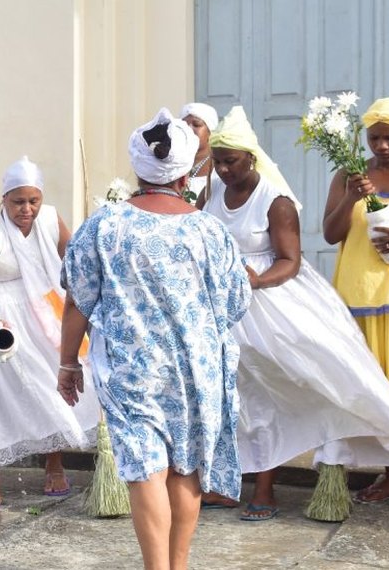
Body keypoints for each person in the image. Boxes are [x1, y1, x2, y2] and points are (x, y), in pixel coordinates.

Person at [58, 109, 251, 570]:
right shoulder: (211, 231)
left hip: (132, 369)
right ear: (186, 171)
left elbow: (77, 302)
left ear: (138, 168)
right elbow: (233, 304)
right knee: (186, 469)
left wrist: (68, 364)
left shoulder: (104, 226)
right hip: (196, 367)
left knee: (146, 469)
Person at [203, 106, 389, 520]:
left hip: (281, 303)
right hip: (235, 303)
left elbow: (288, 259)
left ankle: (271, 487)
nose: (222, 169)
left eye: (230, 161)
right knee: (229, 395)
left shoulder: (273, 201)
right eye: (218, 161)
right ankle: (227, 482)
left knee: (289, 389)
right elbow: (333, 232)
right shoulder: (213, 193)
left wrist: (253, 282)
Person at [0, 156, 99, 508]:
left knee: (49, 386)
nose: (26, 209)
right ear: (4, 200)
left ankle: (54, 464)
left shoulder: (51, 219)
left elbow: (74, 260)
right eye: (18, 201)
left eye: (33, 200)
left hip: (40, 311)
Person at [323, 96, 389, 503]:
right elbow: (331, 233)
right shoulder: (349, 174)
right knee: (377, 390)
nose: (382, 147)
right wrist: (352, 198)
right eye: (374, 139)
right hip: (359, 297)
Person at [180, 102, 219, 203]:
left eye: (196, 125)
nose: (189, 129)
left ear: (211, 131)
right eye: (184, 125)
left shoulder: (219, 165)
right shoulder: (173, 163)